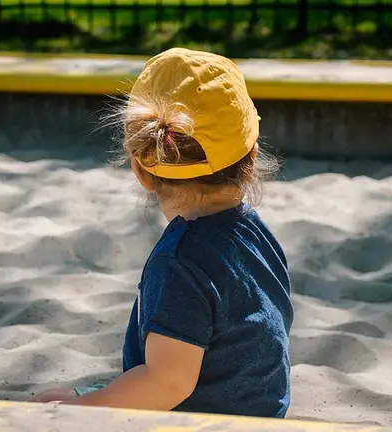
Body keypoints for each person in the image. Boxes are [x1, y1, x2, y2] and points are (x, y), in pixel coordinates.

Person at [28, 47, 294, 418]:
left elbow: (168, 383)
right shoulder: (258, 235)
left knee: (54, 405)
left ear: (141, 171)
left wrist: (79, 408)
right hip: (260, 414)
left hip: (205, 422)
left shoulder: (178, 264)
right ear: (251, 156)